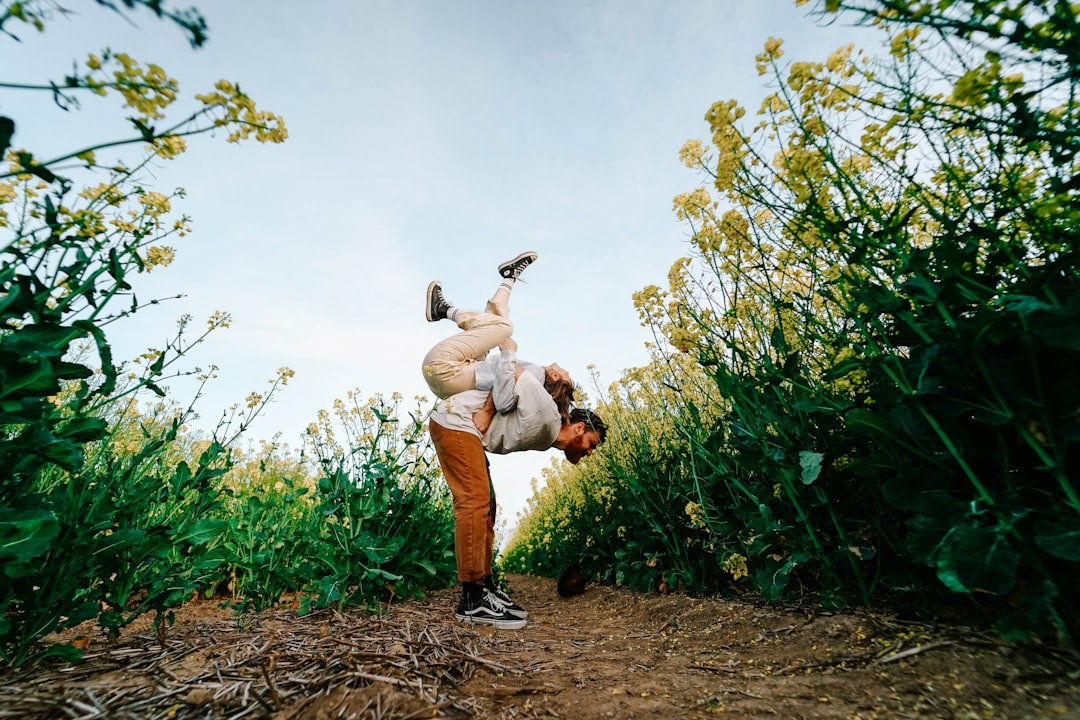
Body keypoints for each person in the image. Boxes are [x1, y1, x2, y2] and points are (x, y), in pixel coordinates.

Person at [423, 254, 607, 630]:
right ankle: (473, 596)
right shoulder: (548, 414)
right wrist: (491, 408)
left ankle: (485, 585)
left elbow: (512, 385)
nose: (588, 452)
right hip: (456, 416)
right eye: (590, 442)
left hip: (463, 411)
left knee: (488, 505)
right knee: (474, 501)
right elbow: (513, 383)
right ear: (575, 427)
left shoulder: (546, 425)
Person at [421, 251, 574, 425]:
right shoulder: (531, 386)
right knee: (492, 325)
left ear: (554, 376)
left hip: (446, 369)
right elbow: (503, 393)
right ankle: (509, 277)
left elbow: (503, 402)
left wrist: (509, 354)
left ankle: (444, 310)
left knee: (504, 327)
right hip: (453, 381)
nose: (565, 370)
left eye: (566, 374)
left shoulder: (536, 376)